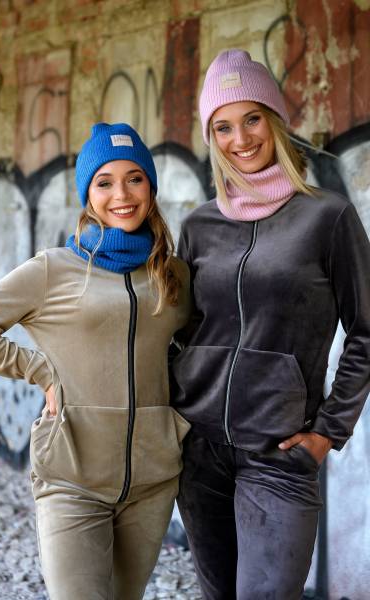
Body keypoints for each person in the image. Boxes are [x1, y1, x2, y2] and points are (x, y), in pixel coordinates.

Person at [170, 49, 370, 600]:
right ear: (211, 137)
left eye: (252, 118)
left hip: (280, 451)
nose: (241, 138)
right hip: (200, 450)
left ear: (275, 119)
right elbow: (179, 332)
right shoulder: (199, 225)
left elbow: (366, 330)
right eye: (223, 126)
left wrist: (327, 432)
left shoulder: (326, 216)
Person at [0, 122, 191, 600]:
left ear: (151, 187)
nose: (122, 195)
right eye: (104, 182)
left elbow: (194, 348)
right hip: (71, 477)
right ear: (88, 195)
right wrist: (40, 371)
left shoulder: (173, 274)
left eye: (134, 178)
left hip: (153, 481)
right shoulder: (54, 269)